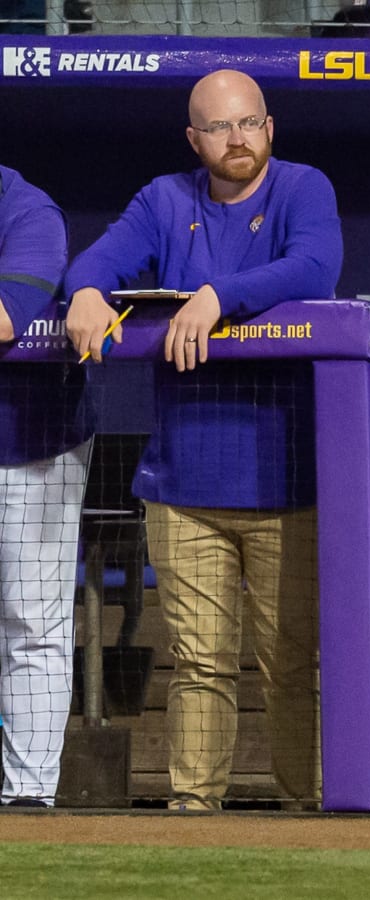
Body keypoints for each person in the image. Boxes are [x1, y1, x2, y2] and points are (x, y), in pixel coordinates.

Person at [63, 69, 343, 811]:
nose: (238, 138)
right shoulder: (165, 199)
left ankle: (304, 811)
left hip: (286, 478)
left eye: (249, 122)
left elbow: (317, 265)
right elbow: (97, 260)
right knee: (199, 664)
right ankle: (194, 816)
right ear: (196, 140)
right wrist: (88, 290)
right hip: (184, 484)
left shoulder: (302, 188)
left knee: (289, 663)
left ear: (270, 127)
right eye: (220, 128)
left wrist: (217, 297)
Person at [0, 166, 92, 807]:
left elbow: (6, 317)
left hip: (29, 447)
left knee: (32, 626)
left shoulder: (27, 208)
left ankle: (28, 800)